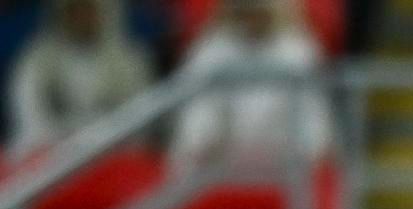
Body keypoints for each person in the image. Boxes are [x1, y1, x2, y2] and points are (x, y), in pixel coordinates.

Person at [169, 0, 331, 171]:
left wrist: (308, 151)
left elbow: (313, 119)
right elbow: (197, 116)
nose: (252, 21)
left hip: (283, 167)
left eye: (259, 14)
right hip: (219, 168)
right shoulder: (210, 52)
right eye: (246, 14)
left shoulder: (299, 53)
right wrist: (199, 144)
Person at [6, 0, 153, 157]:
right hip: (54, 156)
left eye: (88, 12)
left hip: (114, 152)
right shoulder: (36, 62)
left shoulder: (130, 60)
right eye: (74, 12)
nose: (82, 19)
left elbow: (139, 118)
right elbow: (32, 119)